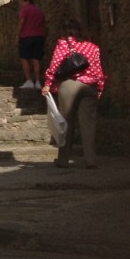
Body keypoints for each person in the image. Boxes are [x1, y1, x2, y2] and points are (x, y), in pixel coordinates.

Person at [41, 19, 107, 168]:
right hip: (90, 86)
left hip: (69, 85)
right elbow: (98, 70)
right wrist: (100, 88)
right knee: (88, 124)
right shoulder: (93, 47)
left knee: (67, 122)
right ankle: (91, 160)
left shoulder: (63, 44)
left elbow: (55, 65)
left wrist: (47, 84)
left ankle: (63, 160)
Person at [17, 0, 47, 89]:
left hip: (27, 36)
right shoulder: (39, 11)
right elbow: (45, 25)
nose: (20, 4)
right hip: (39, 36)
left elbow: (21, 23)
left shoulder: (25, 10)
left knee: (24, 58)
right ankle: (38, 81)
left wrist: (17, 35)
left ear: (27, 1)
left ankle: (29, 80)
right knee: (36, 59)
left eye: (22, 1)